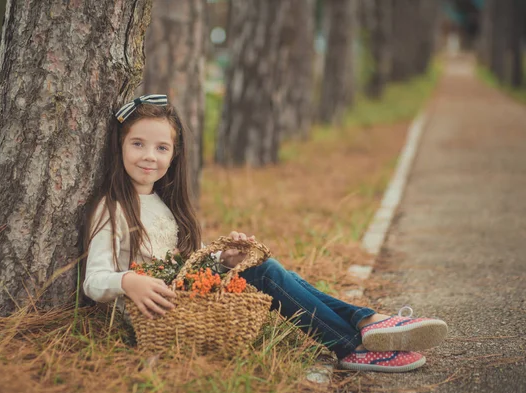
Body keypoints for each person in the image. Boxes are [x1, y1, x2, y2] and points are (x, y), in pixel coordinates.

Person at [82, 95, 448, 373]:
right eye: (138, 144)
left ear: (175, 154)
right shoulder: (112, 207)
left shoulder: (162, 202)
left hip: (183, 300)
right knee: (267, 274)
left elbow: (179, 264)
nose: (150, 156)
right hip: (153, 314)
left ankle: (364, 326)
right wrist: (129, 282)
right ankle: (355, 339)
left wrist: (223, 261)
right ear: (120, 146)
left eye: (162, 148)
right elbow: (94, 280)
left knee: (264, 268)